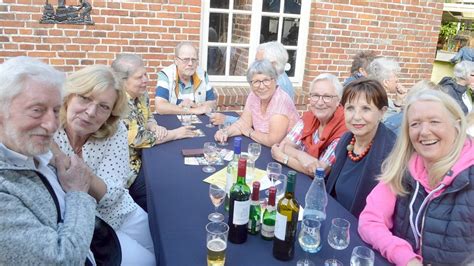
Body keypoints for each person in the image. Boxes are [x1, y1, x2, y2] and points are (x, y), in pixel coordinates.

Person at [358, 88, 474, 265]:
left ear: (457, 126)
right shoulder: (402, 168)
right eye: (415, 124)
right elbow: (370, 221)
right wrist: (405, 257)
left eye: (434, 122)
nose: (424, 132)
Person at [53, 65, 155, 265]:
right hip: (87, 224)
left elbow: (113, 194)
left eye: (104, 107)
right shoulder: (49, 129)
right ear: (69, 96)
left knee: (164, 246)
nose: (91, 112)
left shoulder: (115, 131)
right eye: (85, 98)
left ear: (111, 114)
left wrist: (74, 169)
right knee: (148, 262)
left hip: (122, 211)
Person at [0, 56, 97, 264]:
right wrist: (79, 193)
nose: (52, 125)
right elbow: (62, 260)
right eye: (37, 110)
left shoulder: (30, 148)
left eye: (55, 110)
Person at [112, 54, 195, 211]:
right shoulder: (118, 102)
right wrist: (175, 134)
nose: (145, 80)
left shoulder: (140, 94)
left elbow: (148, 116)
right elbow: (137, 138)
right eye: (139, 77)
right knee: (165, 192)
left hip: (144, 156)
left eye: (146, 74)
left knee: (176, 171)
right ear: (123, 81)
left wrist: (153, 126)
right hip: (129, 171)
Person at [325, 78, 396, 217]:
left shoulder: (392, 152)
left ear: (382, 112)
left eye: (366, 109)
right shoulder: (345, 140)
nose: (356, 117)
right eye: (350, 108)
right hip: (335, 219)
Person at [271, 74, 347, 176]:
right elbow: (284, 145)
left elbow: (319, 171)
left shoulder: (343, 129)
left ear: (338, 101)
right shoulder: (310, 117)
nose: (320, 102)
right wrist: (300, 155)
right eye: (315, 96)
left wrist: (284, 158)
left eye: (327, 97)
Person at [214, 59, 299, 147]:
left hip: (284, 153)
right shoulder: (253, 96)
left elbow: (273, 141)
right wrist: (226, 132)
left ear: (275, 80)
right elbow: (243, 123)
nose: (261, 86)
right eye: (256, 82)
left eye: (266, 80)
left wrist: (250, 132)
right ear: (250, 84)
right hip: (261, 146)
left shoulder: (281, 101)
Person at [211, 41, 295, 125]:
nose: (255, 65)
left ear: (273, 64)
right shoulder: (278, 77)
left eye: (259, 62)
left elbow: (261, 125)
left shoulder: (277, 86)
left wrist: (227, 120)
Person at [155, 41, 216, 115]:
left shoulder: (203, 75)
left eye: (193, 60)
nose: (190, 63)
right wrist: (192, 110)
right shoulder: (165, 75)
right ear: (176, 61)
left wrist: (195, 106)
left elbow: (212, 103)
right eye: (186, 60)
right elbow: (160, 106)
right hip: (171, 123)